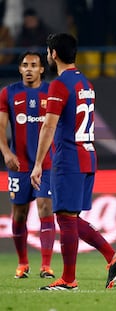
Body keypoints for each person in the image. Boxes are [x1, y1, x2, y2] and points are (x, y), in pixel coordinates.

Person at [30, 33, 116, 290]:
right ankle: (112, 258)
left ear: (53, 54)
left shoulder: (59, 85)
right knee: (70, 218)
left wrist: (38, 163)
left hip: (69, 158)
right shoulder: (85, 83)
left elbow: (49, 126)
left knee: (64, 217)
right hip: (88, 156)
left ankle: (70, 279)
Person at [0, 51, 56, 279]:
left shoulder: (51, 92)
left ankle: (46, 266)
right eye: (25, 65)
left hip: (46, 163)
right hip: (19, 164)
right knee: (19, 214)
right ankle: (23, 263)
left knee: (45, 206)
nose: (29, 69)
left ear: (42, 69)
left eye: (34, 65)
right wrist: (5, 152)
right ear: (20, 69)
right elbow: (1, 127)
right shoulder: (8, 93)